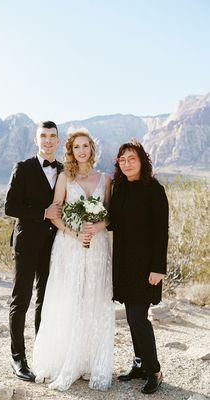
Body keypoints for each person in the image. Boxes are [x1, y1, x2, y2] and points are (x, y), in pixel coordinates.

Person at [32, 129, 115, 391]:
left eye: (85, 146)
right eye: (77, 146)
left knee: (93, 298)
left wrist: (98, 227)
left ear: (92, 149)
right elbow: (55, 213)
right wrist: (75, 233)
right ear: (71, 150)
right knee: (69, 298)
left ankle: (89, 361)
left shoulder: (106, 178)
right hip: (70, 245)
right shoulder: (64, 177)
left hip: (98, 246)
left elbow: (111, 214)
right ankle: (63, 360)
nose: (81, 151)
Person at [109, 139, 169, 395]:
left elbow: (161, 232)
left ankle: (154, 370)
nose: (126, 163)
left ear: (142, 161)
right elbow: (113, 222)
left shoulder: (154, 190)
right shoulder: (120, 188)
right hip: (124, 263)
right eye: (122, 160)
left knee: (137, 317)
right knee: (132, 320)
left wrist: (158, 267)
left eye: (131, 158)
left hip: (146, 265)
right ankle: (139, 364)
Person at [5, 121, 63, 381]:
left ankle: (42, 355)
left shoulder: (64, 170)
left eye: (53, 136)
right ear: (36, 140)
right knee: (21, 300)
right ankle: (18, 359)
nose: (48, 140)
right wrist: (43, 213)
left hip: (53, 245)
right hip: (27, 243)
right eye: (44, 136)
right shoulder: (23, 168)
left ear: (58, 141)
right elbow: (10, 207)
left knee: (45, 300)